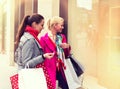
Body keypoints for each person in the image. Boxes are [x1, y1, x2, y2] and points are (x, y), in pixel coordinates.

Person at [10, 13, 54, 89]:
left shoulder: (30, 37)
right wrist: (43, 56)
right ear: (34, 24)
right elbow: (26, 63)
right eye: (41, 25)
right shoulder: (29, 40)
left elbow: (18, 58)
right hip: (30, 79)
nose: (43, 28)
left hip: (29, 78)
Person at [39, 16, 70, 89]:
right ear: (55, 25)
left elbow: (66, 55)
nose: (62, 27)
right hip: (49, 68)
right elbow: (41, 55)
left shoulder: (62, 37)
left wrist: (67, 47)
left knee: (66, 86)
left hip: (62, 68)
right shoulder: (43, 39)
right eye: (61, 25)